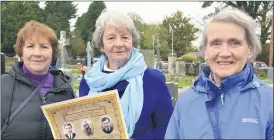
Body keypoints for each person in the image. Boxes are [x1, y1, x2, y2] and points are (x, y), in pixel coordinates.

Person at [165, 8, 273, 139]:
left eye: (235, 43)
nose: (225, 53)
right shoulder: (186, 101)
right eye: (216, 43)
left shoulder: (268, 102)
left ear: (250, 50)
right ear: (205, 51)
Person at [79, 9, 174, 139]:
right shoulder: (88, 83)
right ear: (102, 46)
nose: (119, 44)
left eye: (124, 37)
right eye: (111, 38)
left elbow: (168, 128)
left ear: (132, 42)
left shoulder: (153, 80)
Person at [1, 21, 76, 139]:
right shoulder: (3, 86)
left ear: (53, 52)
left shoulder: (65, 90)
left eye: (44, 47)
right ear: (21, 51)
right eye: (30, 46)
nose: (37, 53)